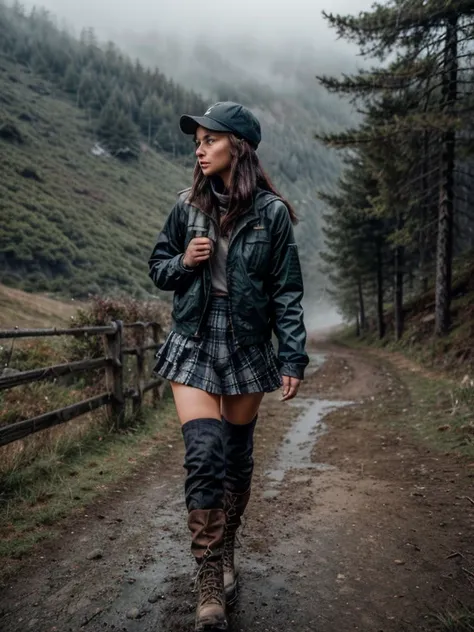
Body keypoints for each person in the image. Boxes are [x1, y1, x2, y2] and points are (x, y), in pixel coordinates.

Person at [148, 101, 308, 631]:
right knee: (205, 452)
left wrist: (291, 355)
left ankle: (229, 538)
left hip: (244, 341)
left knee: (237, 456)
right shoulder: (184, 205)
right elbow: (158, 268)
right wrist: (183, 262)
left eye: (209, 138)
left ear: (236, 146)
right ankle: (210, 574)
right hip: (194, 336)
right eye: (196, 139)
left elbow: (286, 290)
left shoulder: (272, 214)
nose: (198, 146)